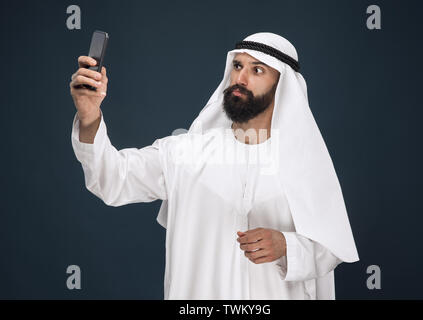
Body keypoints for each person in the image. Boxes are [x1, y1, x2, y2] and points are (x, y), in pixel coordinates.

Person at [69, 32, 359, 300]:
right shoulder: (185, 152)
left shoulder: (304, 163)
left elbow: (331, 247)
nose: (240, 78)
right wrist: (90, 116)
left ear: (282, 86)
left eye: (257, 70)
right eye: (237, 66)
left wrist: (287, 246)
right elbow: (112, 179)